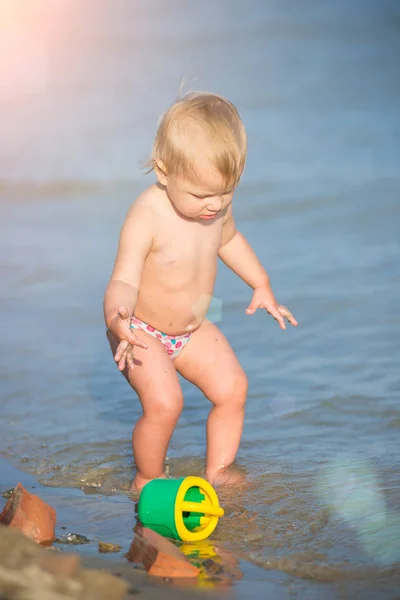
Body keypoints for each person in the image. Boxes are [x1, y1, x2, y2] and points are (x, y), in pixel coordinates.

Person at [104, 91, 298, 492]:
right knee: (165, 404)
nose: (214, 205)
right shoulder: (147, 215)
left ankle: (219, 471)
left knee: (233, 389)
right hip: (140, 330)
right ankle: (148, 477)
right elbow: (123, 279)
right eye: (201, 195)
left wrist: (261, 284)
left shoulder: (217, 209)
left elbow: (230, 241)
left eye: (225, 193)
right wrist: (118, 319)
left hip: (191, 328)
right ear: (164, 171)